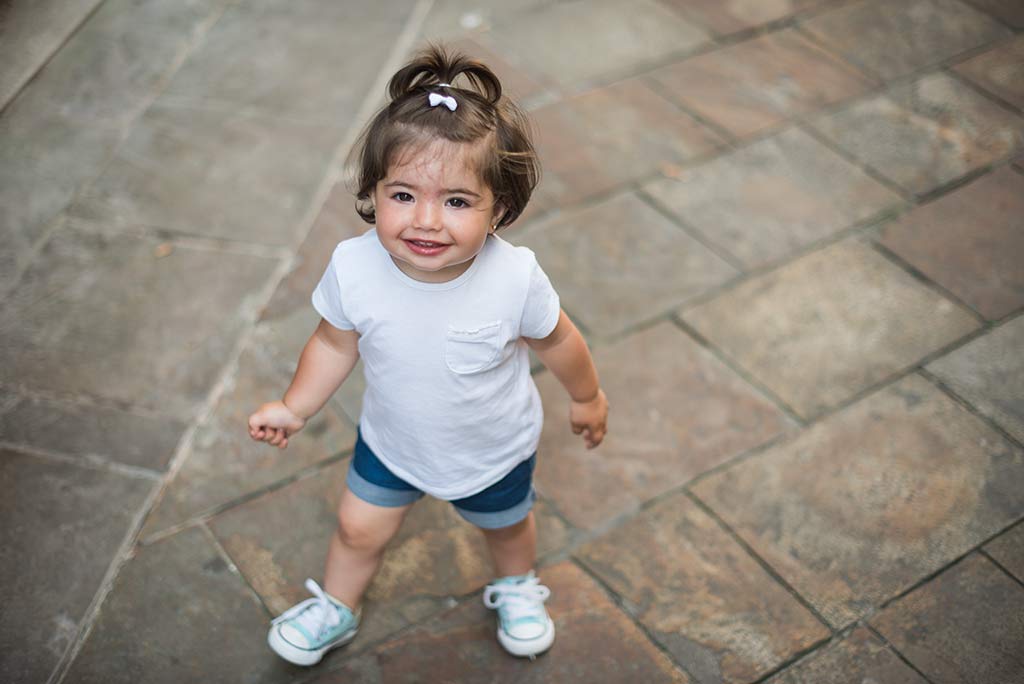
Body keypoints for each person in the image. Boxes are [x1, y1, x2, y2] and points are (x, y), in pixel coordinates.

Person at [247, 44, 608, 667]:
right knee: (358, 530)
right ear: (373, 191)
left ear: (500, 210)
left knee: (506, 527)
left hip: (492, 447)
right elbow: (334, 342)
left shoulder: (513, 278)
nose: (426, 221)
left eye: (458, 201)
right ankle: (337, 605)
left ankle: (517, 585)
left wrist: (587, 396)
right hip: (392, 441)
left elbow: (559, 340)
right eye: (404, 195)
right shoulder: (354, 266)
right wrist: (293, 406)